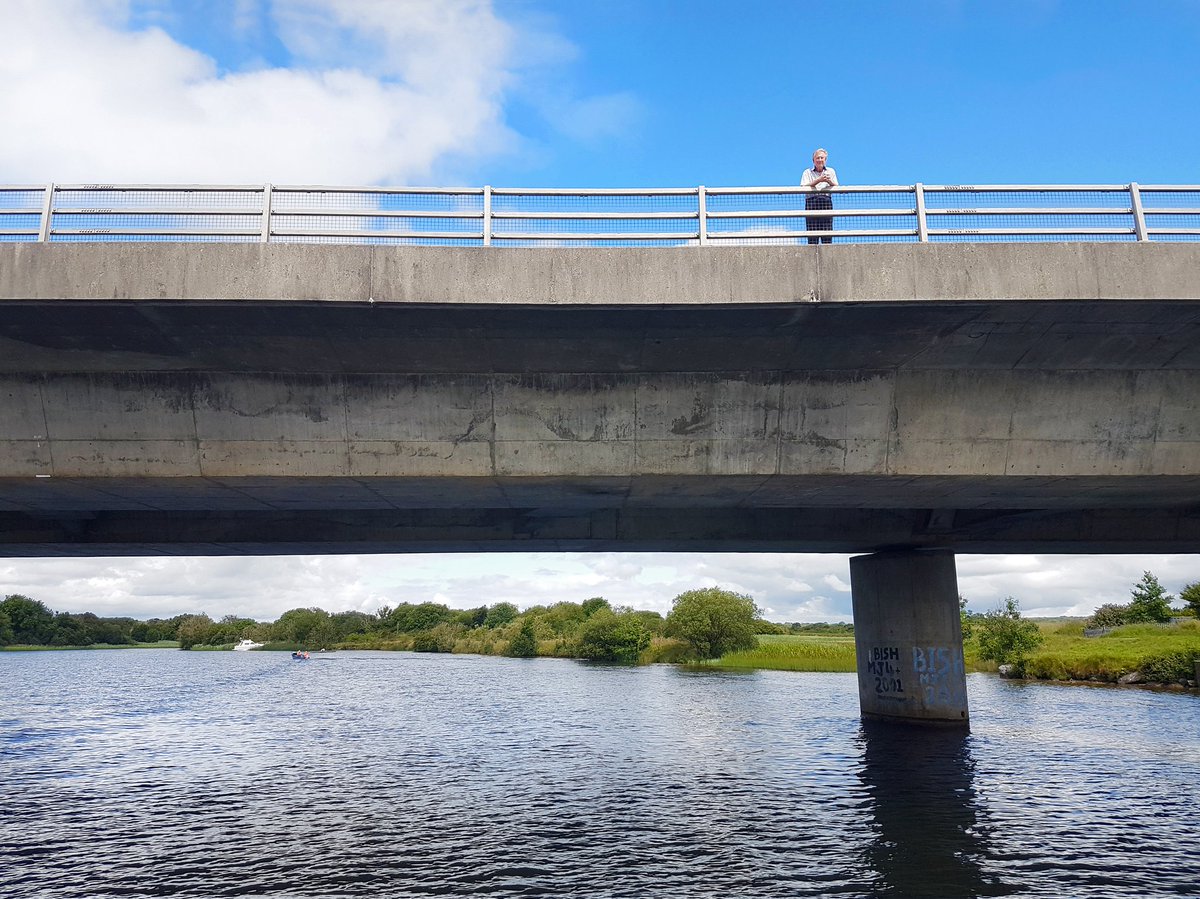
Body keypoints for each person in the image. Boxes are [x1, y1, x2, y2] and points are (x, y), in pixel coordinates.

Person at [801, 148, 837, 245]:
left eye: (822, 158)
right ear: (813, 160)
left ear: (825, 160)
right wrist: (819, 180)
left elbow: (837, 187)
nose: (820, 160)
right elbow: (803, 187)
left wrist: (828, 181)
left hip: (826, 201)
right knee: (812, 231)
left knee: (827, 230)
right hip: (811, 201)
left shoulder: (831, 171)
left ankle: (827, 249)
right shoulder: (807, 172)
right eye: (817, 158)